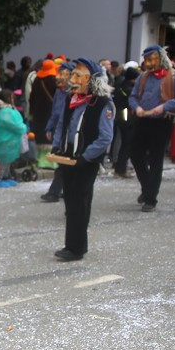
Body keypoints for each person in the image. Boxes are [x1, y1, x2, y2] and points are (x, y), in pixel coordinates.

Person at [48, 58, 114, 262]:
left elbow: (105, 137)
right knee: (71, 200)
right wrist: (57, 146)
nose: (73, 79)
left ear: (92, 80)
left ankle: (75, 248)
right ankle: (76, 243)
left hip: (87, 160)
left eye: (78, 75)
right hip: (69, 157)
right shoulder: (71, 98)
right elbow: (62, 125)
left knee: (78, 200)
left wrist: (86, 157)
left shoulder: (103, 103)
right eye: (73, 74)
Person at [128, 45, 175, 212]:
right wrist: (137, 107)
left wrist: (163, 107)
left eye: (152, 59)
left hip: (162, 121)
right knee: (135, 154)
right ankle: (147, 187)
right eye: (147, 60)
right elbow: (133, 96)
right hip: (143, 119)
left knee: (155, 159)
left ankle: (150, 198)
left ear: (161, 58)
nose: (148, 63)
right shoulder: (143, 76)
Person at [41, 61, 74, 202]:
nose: (58, 77)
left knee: (64, 163)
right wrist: (49, 127)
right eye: (58, 73)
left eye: (62, 74)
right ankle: (65, 190)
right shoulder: (58, 93)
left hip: (69, 131)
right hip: (58, 130)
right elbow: (54, 112)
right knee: (62, 163)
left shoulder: (73, 93)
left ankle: (54, 192)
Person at [111, 65, 139, 178]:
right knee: (126, 144)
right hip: (126, 119)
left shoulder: (120, 84)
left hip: (120, 117)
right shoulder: (129, 89)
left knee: (123, 144)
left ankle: (119, 167)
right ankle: (121, 169)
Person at [0, 88, 25, 184]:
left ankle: (5, 177)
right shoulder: (5, 111)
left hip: (9, 140)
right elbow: (12, 124)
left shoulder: (8, 108)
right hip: (5, 140)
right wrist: (23, 127)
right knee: (3, 161)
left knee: (7, 161)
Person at [26, 57, 58, 134]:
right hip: (50, 111)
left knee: (39, 135)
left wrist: (31, 112)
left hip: (38, 113)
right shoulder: (54, 81)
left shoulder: (37, 80)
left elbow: (31, 98)